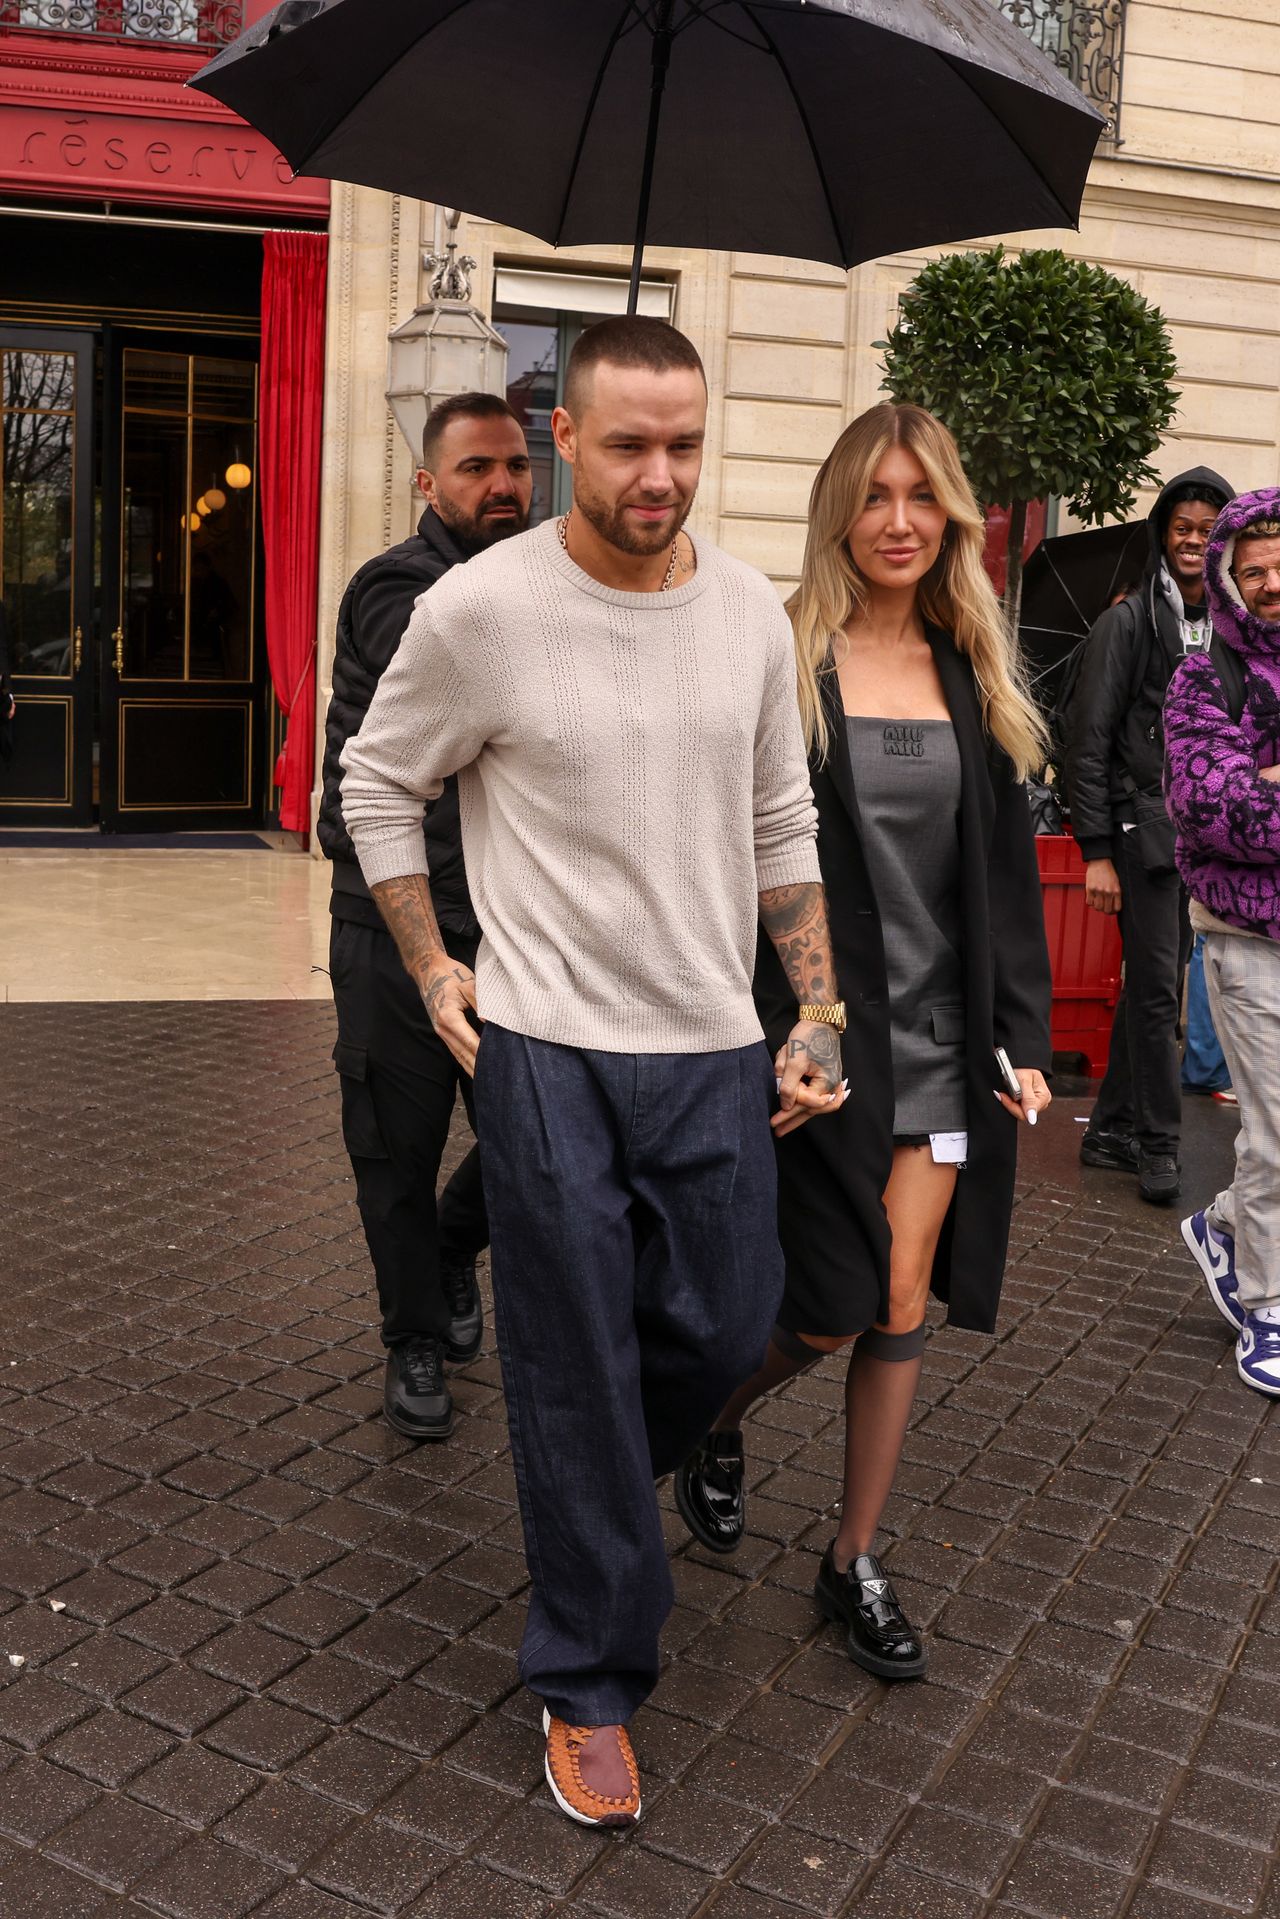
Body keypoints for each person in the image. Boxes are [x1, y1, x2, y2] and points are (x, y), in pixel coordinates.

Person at [340, 316, 845, 1828]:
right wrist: (436, 965)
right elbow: (375, 780)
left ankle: (594, 1493)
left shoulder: (751, 612)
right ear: (565, 436)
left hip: (711, 1041)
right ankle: (590, 1675)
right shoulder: (483, 609)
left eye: (685, 444)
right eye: (628, 443)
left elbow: (780, 821)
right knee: (568, 1362)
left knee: (732, 1317)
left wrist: (815, 1006)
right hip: (545, 1043)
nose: (660, 475)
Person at [677, 403, 1052, 1678]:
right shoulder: (779, 653)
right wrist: (779, 1020)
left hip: (943, 1038)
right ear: (840, 506)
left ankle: (849, 1556)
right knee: (828, 1307)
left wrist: (1022, 1038)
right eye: (875, 495)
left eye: (923, 497)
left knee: (899, 1304)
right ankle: (705, 1421)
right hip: (826, 1031)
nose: (899, 520)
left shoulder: (974, 667)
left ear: (952, 514)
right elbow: (738, 855)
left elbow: (997, 880)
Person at [318, 393, 533, 1440]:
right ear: (428, 483)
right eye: (476, 468)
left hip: (506, 925)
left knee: (537, 1129)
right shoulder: (400, 589)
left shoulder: (545, 587)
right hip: (388, 917)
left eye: (517, 466)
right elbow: (456, 679)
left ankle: (455, 1244)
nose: (501, 485)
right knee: (393, 1146)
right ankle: (411, 1336)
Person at [1067, 467, 1234, 1205]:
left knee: (1157, 986)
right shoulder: (1127, 622)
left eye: (1208, 528)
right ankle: (1158, 1146)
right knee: (1161, 996)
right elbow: (1088, 741)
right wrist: (1097, 850)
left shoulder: (1223, 627)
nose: (1195, 540)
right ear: (1164, 534)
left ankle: (1109, 1130)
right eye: (1184, 527)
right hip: (1140, 832)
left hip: (1196, 839)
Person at [1166, 489, 1280, 1396]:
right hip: (1245, 936)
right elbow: (1217, 810)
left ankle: (1227, 1225)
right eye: (1254, 572)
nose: (1272, 583)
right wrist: (1256, 787)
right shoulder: (1204, 680)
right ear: (1229, 585)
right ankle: (1270, 1302)